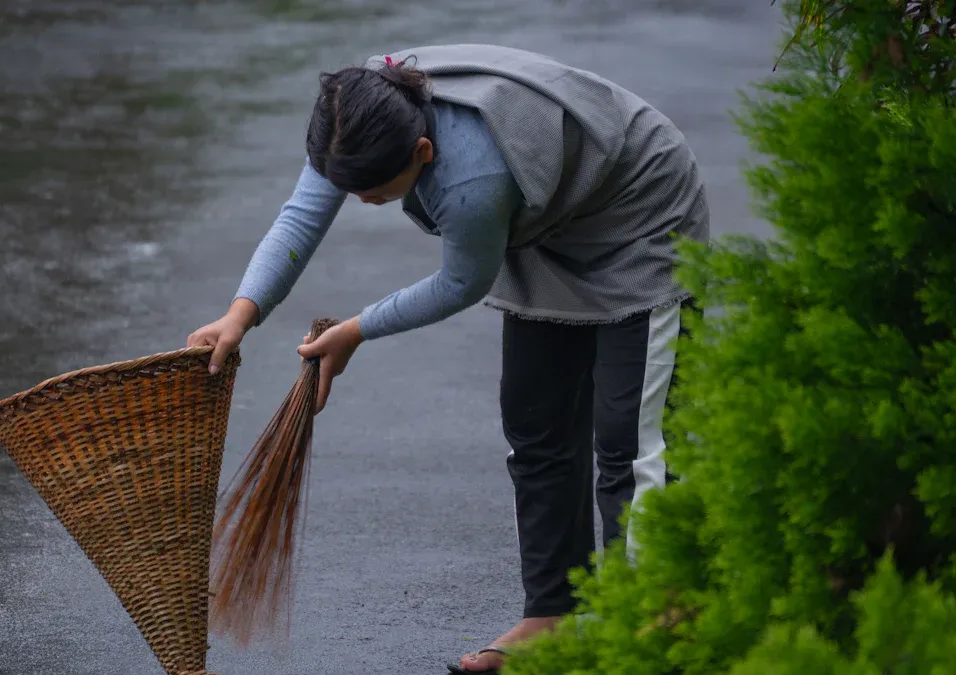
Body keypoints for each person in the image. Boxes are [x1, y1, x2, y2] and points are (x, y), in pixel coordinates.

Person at [186, 43, 709, 675]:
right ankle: (553, 615)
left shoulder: (473, 182)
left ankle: (648, 620)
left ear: (423, 155)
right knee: (536, 426)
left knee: (631, 439)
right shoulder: (354, 117)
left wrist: (355, 330)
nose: (358, 201)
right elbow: (301, 218)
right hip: (548, 216)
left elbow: (460, 284)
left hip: (638, 217)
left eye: (373, 192)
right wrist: (239, 315)